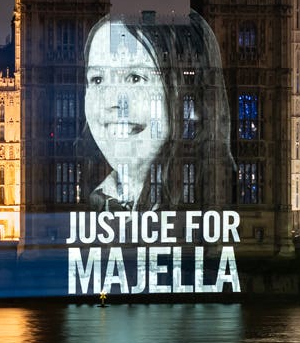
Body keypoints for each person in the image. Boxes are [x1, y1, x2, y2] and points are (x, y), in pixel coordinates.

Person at [82, 12, 233, 211]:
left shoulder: (203, 204)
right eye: (97, 79)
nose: (112, 102)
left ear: (192, 98)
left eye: (135, 78)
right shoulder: (100, 200)